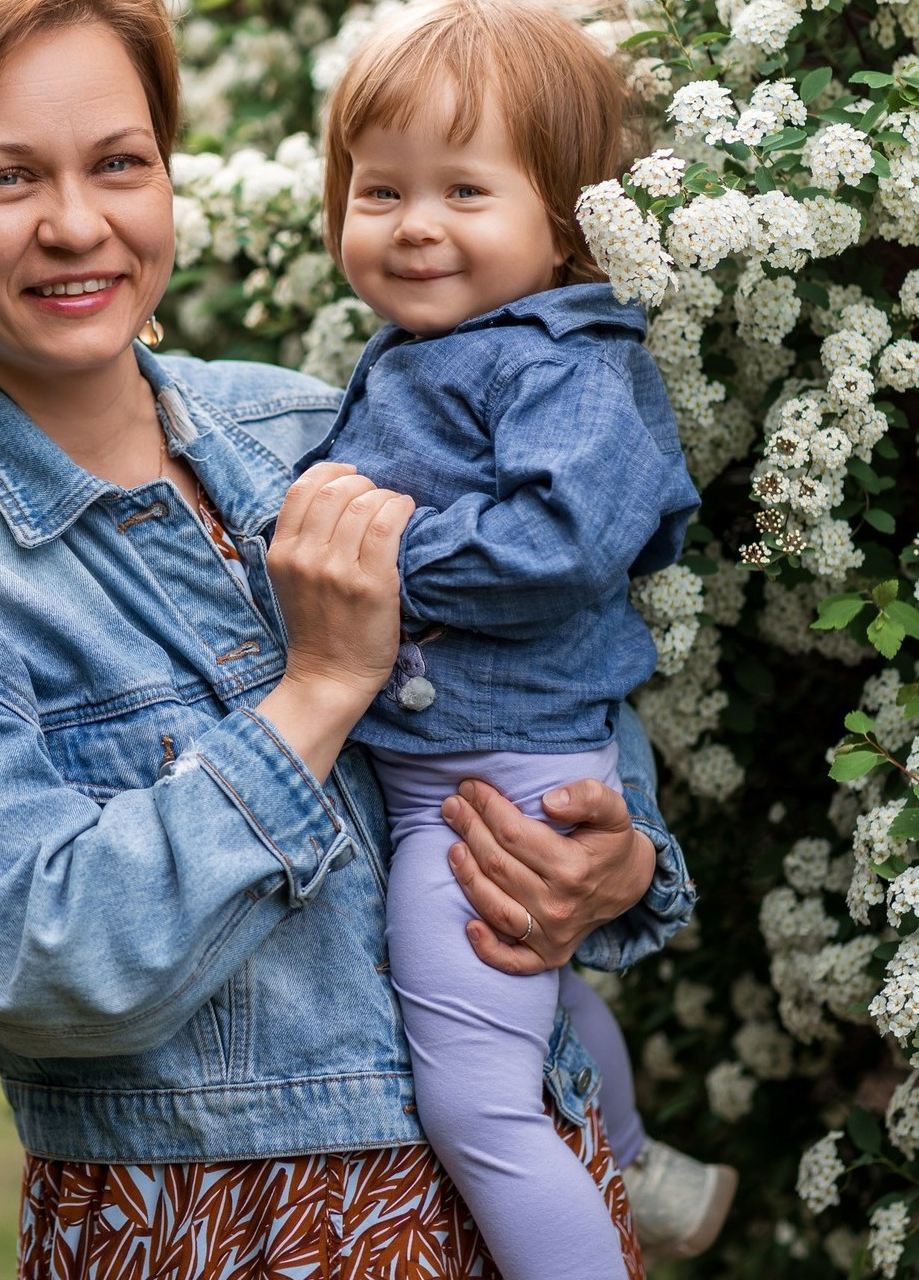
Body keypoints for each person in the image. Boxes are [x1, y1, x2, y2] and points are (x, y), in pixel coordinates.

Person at [0, 0, 697, 1276]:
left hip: (530, 1185)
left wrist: (618, 854)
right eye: (3, 176)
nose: (76, 224)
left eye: (117, 161)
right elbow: (61, 963)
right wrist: (315, 687)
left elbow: (535, 670)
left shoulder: (304, 424)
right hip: (236, 1233)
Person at [303, 0, 733, 1273]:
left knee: (477, 1107)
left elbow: (560, 542)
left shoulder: (565, 365)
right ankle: (641, 1165)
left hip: (489, 782)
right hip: (472, 764)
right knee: (547, 996)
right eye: (378, 189)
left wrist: (379, 556)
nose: (413, 223)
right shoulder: (432, 351)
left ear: (563, 225)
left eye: (462, 190)